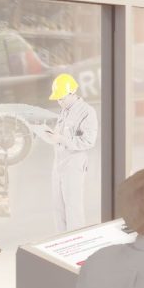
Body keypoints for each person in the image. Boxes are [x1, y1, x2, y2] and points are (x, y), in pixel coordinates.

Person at [49, 71, 97, 232]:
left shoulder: (87, 112)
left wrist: (62, 140)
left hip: (74, 164)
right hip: (59, 163)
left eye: (61, 98)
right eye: (57, 98)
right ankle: (60, 243)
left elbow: (88, 141)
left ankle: (76, 244)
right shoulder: (65, 110)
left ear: (72, 93)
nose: (59, 101)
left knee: (73, 207)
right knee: (58, 207)